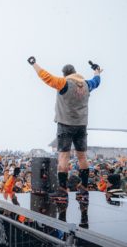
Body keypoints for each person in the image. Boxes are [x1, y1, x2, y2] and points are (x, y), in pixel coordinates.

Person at [28, 57, 102, 202]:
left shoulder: (63, 83)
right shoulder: (87, 84)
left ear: (65, 75)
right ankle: (84, 188)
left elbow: (45, 76)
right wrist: (97, 71)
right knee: (82, 157)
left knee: (63, 157)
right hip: (81, 125)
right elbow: (97, 81)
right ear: (75, 72)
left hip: (65, 124)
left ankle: (62, 190)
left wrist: (34, 64)